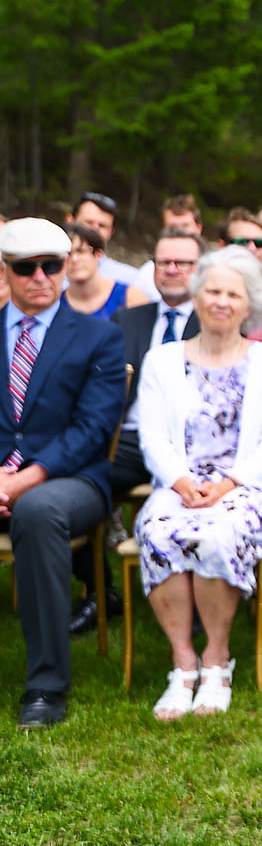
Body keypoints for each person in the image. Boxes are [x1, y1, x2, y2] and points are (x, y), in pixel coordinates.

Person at [134, 247, 262, 719]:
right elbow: (152, 437)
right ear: (197, 296)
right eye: (213, 291)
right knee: (157, 530)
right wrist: (182, 483)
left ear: (249, 305)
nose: (221, 301)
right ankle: (183, 663)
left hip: (249, 489)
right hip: (179, 487)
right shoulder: (162, 360)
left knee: (216, 534)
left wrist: (226, 485)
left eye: (232, 294)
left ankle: (217, 658)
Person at [0, 219, 124, 729]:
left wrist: (22, 480)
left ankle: (46, 686)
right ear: (5, 271)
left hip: (71, 482)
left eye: (50, 265)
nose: (40, 277)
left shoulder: (100, 337)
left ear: (65, 267)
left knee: (37, 510)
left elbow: (94, 429)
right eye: (25, 268)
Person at [64, 228, 204, 637]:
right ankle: (101, 591)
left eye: (183, 263)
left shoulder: (216, 319)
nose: (172, 269)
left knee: (200, 494)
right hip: (128, 440)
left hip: (193, 444)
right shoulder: (126, 320)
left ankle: (199, 598)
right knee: (73, 481)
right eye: (164, 262)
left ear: (200, 270)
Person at [216, 208, 262, 344]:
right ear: (222, 246)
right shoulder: (204, 286)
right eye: (241, 242)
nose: (252, 248)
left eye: (259, 243)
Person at [63, 223, 148, 319]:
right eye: (67, 253)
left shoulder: (130, 298)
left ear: (99, 254)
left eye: (81, 251)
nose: (74, 259)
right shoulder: (55, 303)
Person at [132, 195, 204, 300]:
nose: (179, 232)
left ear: (199, 228)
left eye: (185, 226)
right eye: (172, 227)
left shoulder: (215, 268)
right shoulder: (148, 273)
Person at [66, 191, 138, 286]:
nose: (95, 229)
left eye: (102, 226)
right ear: (70, 221)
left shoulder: (129, 280)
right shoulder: (50, 269)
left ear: (111, 232)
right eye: (88, 222)